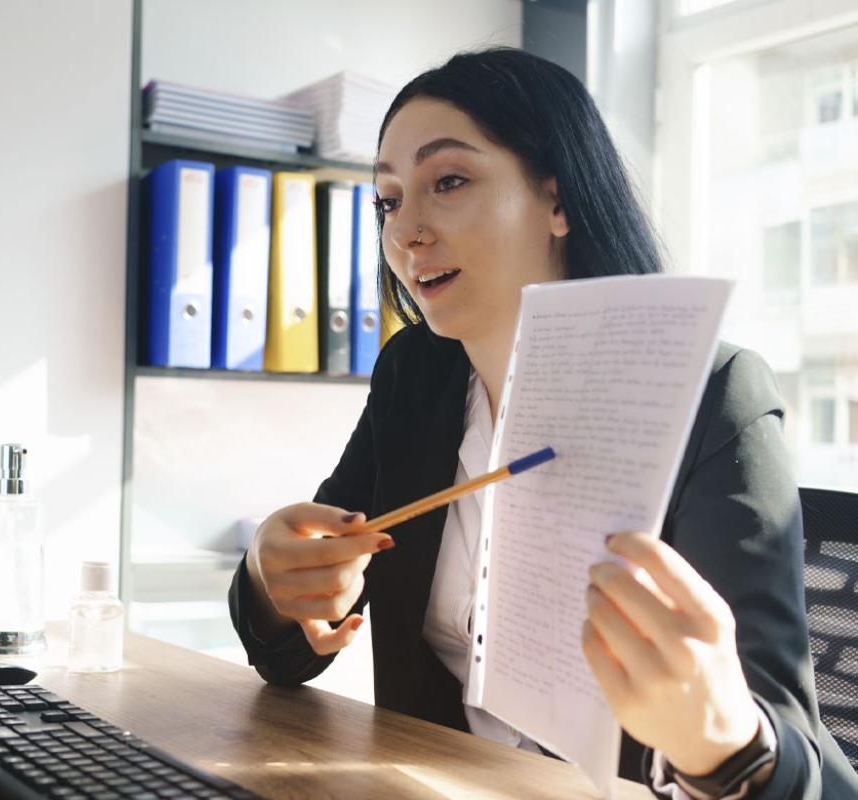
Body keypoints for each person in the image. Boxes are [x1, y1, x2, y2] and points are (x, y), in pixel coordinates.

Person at [228, 48, 857, 799]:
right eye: (389, 202)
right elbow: (293, 650)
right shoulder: (414, 377)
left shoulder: (709, 392)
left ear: (557, 199)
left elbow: (814, 776)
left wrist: (722, 737)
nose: (406, 233)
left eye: (449, 181)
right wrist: (275, 582)